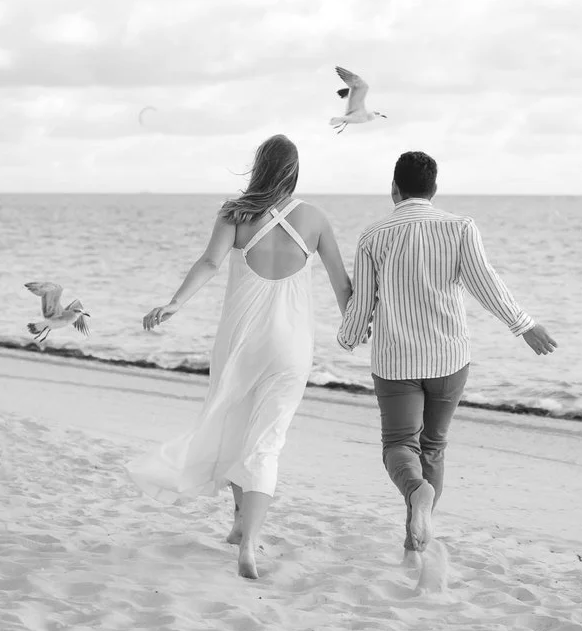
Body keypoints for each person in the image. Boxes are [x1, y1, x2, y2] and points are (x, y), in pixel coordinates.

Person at [128, 135, 352, 579]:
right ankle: (247, 538)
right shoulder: (315, 218)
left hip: (240, 341)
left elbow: (209, 264)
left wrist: (175, 303)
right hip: (291, 347)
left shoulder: (236, 213)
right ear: (294, 170)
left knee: (232, 422)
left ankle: (237, 521)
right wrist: (358, 325)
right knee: (266, 443)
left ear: (259, 167)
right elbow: (342, 284)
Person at [336, 150, 556, 565]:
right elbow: (485, 281)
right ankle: (414, 546)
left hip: (396, 360)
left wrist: (348, 336)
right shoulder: (460, 227)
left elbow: (363, 301)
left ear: (394, 190)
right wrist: (524, 325)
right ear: (434, 190)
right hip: (449, 358)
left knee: (400, 445)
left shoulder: (372, 236)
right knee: (432, 448)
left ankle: (415, 508)